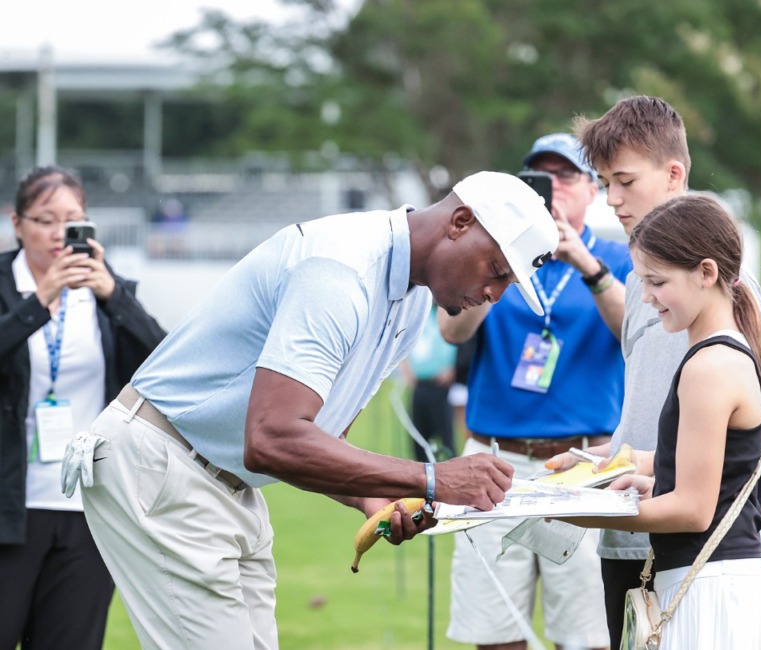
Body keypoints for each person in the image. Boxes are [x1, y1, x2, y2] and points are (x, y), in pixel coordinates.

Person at [66, 171, 558, 649]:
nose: (495, 293)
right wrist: (431, 478)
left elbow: (319, 435)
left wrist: (374, 499)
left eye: (509, 283)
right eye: (496, 270)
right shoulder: (341, 268)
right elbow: (272, 438)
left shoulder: (410, 302)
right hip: (163, 460)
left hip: (226, 482)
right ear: (460, 222)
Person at [541, 95, 761, 649]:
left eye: (624, 181)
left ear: (674, 174)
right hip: (634, 528)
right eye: (605, 183)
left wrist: (592, 508)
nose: (612, 200)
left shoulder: (716, 298)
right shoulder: (654, 281)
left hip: (676, 544)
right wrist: (596, 465)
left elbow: (744, 457)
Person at [566, 193, 761, 649]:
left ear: (706, 273)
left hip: (710, 596)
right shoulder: (736, 351)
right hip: (731, 592)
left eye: (657, 281)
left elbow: (693, 509)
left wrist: (581, 513)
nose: (646, 297)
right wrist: (644, 472)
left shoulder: (707, 367)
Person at [440, 133, 632, 650]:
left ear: (593, 189)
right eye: (540, 178)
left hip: (582, 463)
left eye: (565, 177)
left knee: (588, 632)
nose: (554, 190)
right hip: (492, 461)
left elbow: (634, 333)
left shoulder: (618, 255)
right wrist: (506, 255)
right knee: (494, 629)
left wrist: (586, 266)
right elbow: (452, 331)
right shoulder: (495, 254)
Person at [0, 165, 166, 649]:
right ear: (17, 223)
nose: (59, 233)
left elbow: (163, 364)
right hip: (10, 506)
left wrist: (114, 296)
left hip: (90, 506)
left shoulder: (110, 293)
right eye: (45, 219)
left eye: (73, 220)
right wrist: (41, 299)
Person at [401, 302, 458, 462]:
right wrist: (407, 371)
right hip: (419, 385)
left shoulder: (445, 316)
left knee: (445, 434)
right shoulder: (417, 317)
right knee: (419, 434)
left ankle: (450, 468)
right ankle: (422, 475)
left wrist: (452, 369)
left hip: (439, 385)